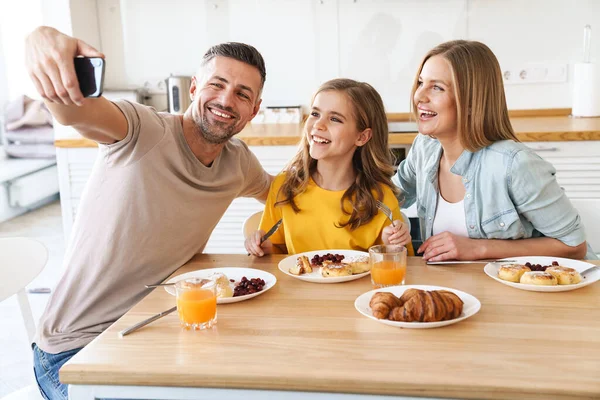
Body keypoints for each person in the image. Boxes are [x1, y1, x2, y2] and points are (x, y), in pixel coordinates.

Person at [25, 26, 273, 400]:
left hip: (156, 329)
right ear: (193, 88)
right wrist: (41, 40)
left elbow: (281, 196)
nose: (226, 100)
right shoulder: (141, 130)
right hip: (76, 348)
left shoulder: (237, 163)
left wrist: (255, 229)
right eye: (216, 84)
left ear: (254, 109)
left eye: (242, 94)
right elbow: (74, 112)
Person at [393, 40, 594, 262]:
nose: (419, 96)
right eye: (421, 83)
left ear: (471, 101)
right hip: (453, 290)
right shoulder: (424, 148)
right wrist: (395, 224)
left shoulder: (513, 165)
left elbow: (574, 245)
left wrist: (479, 249)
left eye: (437, 87)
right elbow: (388, 197)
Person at [245, 78, 414, 257]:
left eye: (334, 119)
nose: (318, 124)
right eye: (315, 114)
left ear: (362, 137)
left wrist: (392, 248)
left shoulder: (381, 199)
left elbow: (404, 267)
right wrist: (264, 248)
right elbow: (278, 252)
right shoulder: (284, 187)